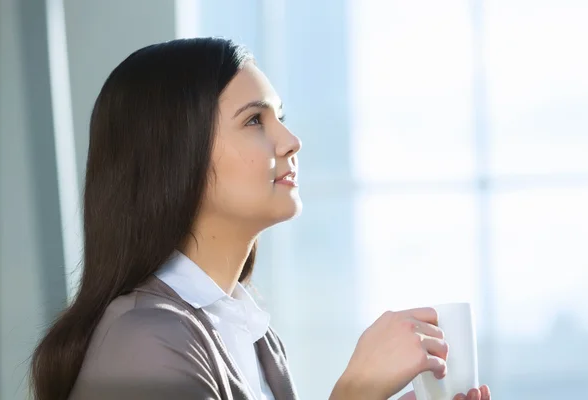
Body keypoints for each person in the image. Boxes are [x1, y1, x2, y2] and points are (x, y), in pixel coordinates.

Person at [30, 38, 491, 400]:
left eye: (281, 117)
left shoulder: (254, 338)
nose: (291, 140)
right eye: (255, 121)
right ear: (175, 157)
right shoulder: (143, 340)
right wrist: (354, 394)